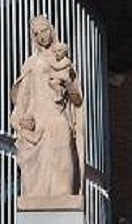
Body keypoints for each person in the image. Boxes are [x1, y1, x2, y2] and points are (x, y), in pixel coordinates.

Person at [10, 16, 84, 201]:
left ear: (52, 30)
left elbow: (78, 100)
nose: (42, 36)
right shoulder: (31, 63)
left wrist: (67, 82)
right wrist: (22, 119)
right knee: (37, 173)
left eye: (44, 30)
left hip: (58, 117)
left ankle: (63, 197)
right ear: (33, 37)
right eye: (37, 33)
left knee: (63, 152)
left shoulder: (66, 63)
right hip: (38, 120)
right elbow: (23, 97)